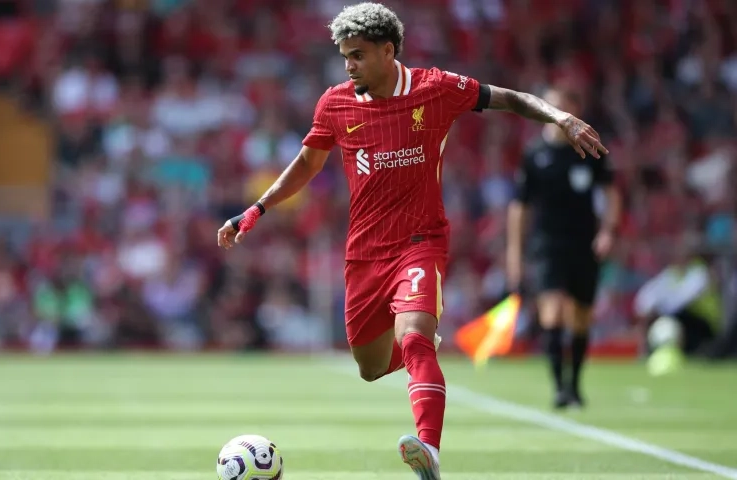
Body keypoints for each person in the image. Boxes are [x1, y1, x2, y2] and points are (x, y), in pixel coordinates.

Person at [217, 3, 608, 478]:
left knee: (416, 338)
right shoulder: (335, 104)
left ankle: (429, 451)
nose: (349, 65)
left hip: (420, 242)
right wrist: (256, 209)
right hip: (363, 253)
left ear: (388, 50)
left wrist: (559, 117)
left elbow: (508, 97)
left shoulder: (435, 88)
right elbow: (306, 164)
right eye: (344, 56)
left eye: (357, 55)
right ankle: (417, 337)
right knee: (370, 365)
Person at [506, 87, 620, 411]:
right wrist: (514, 254)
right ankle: (558, 387)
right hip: (547, 245)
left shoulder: (590, 148)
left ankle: (575, 385)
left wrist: (608, 231)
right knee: (553, 312)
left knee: (581, 318)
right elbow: (519, 208)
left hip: (584, 243)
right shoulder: (534, 154)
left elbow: (611, 194)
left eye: (566, 108)